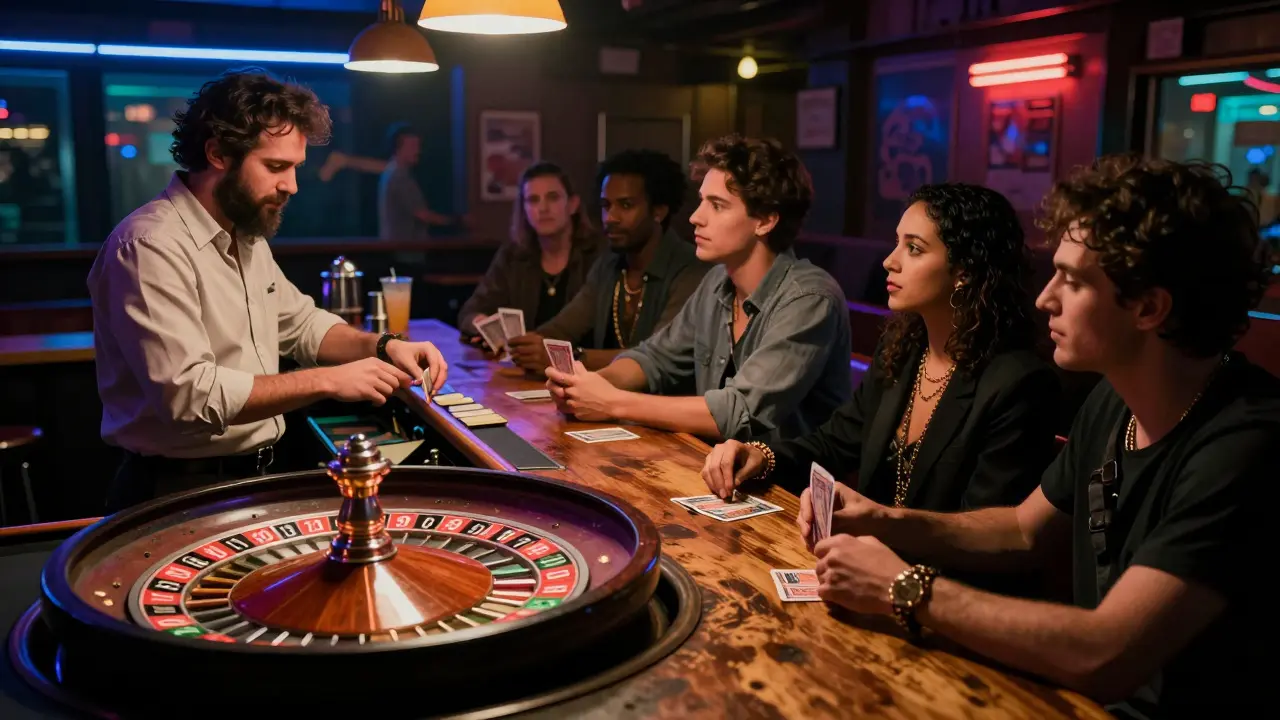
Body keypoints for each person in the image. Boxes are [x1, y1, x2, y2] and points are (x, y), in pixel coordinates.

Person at [798, 155, 1274, 717]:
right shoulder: (1112, 399)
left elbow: (1109, 653)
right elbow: (1024, 529)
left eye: (1072, 280)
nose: (1046, 297)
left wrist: (905, 587)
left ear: (1149, 307)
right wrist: (883, 518)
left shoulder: (1245, 443)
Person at [88, 70, 449, 513]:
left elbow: (301, 325)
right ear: (218, 153)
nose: (291, 185)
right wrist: (328, 380)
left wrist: (382, 346)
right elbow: (188, 397)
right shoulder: (149, 245)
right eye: (276, 167)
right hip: (175, 492)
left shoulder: (246, 236)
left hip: (251, 479)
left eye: (295, 167)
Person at [702, 183, 1058, 520]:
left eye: (914, 248)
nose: (890, 260)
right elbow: (834, 443)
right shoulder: (904, 349)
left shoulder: (1018, 383)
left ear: (964, 272)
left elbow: (982, 531)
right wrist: (760, 455)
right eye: (896, 243)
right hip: (867, 557)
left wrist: (880, 529)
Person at [546, 135, 851, 443]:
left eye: (717, 206)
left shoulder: (809, 298)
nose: (695, 217)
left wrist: (610, 402)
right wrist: (589, 386)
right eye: (701, 201)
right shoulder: (717, 282)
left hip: (788, 487)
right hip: (717, 471)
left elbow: (737, 412)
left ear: (765, 221)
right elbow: (654, 358)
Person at [506, 149, 708, 373]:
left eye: (626, 205)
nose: (610, 218)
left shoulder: (691, 268)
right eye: (605, 206)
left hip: (667, 405)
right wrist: (527, 346)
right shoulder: (608, 265)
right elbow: (564, 327)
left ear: (658, 211)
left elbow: (658, 356)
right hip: (605, 400)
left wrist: (571, 357)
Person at [457, 161, 605, 344]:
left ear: (573, 205)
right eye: (532, 200)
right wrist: (483, 325)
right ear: (524, 210)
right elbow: (470, 312)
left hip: (582, 366)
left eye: (553, 197)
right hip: (523, 365)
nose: (543, 208)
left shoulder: (598, 255)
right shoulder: (513, 255)